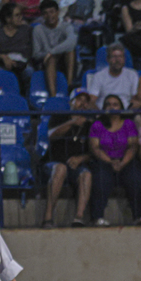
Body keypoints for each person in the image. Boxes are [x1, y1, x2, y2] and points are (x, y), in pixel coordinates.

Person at [88, 94, 141, 226]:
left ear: (121, 107)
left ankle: (138, 216)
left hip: (125, 159)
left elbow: (133, 146)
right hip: (104, 160)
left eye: (115, 104)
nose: (111, 107)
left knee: (135, 177)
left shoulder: (128, 124)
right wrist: (110, 161)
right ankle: (97, 217)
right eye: (108, 104)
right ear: (104, 108)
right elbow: (95, 148)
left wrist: (123, 162)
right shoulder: (97, 125)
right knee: (101, 178)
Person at [42, 88, 93, 227]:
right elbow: (52, 135)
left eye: (86, 101)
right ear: (72, 102)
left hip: (75, 165)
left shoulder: (90, 125)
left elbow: (93, 152)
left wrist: (81, 159)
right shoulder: (60, 117)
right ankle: (48, 217)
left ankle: (79, 217)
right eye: (79, 100)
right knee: (61, 168)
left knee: (86, 174)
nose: (82, 103)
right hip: (53, 163)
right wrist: (72, 122)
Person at [32, 0, 77, 98]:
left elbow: (72, 42)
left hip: (63, 59)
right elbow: (36, 54)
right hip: (46, 61)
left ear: (57, 12)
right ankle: (53, 96)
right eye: (45, 13)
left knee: (70, 50)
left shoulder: (66, 26)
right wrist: (50, 55)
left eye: (52, 12)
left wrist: (52, 52)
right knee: (51, 59)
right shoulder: (38, 29)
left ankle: (69, 85)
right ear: (42, 15)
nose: (49, 16)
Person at [0, 3, 34, 91]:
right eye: (17, 15)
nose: (21, 18)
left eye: (21, 15)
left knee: (29, 72)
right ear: (8, 19)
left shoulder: (27, 30)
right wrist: (3, 57)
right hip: (3, 64)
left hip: (22, 63)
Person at [87, 43, 139, 109]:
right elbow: (91, 101)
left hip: (125, 114)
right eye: (114, 57)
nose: (117, 60)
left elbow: (136, 100)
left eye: (120, 56)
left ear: (124, 59)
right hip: (104, 114)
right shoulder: (98, 76)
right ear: (108, 59)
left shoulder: (132, 74)